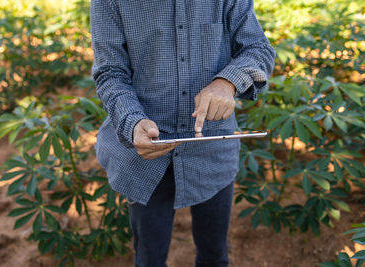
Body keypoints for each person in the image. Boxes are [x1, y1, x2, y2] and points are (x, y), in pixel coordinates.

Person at [90, 0, 275, 266]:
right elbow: (110, 72)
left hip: (212, 149)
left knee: (214, 255)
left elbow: (258, 48)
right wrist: (132, 122)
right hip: (144, 155)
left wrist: (228, 82)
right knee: (149, 258)